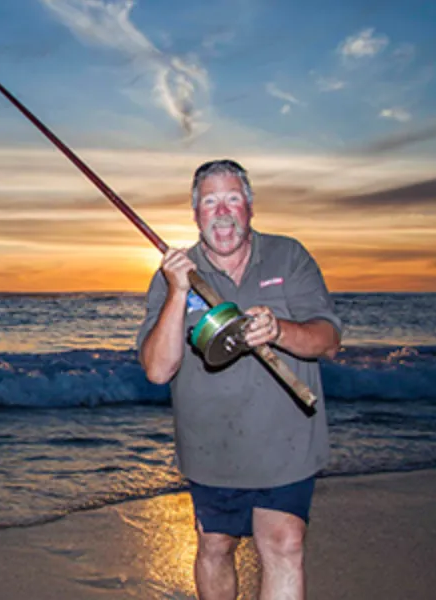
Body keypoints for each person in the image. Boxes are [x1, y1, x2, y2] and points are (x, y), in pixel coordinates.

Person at [135, 159, 342, 600]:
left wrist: (280, 331)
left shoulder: (289, 256)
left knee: (284, 543)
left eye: (232, 199)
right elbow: (157, 370)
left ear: (250, 206)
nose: (222, 212)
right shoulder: (173, 274)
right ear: (196, 214)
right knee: (215, 546)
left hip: (287, 440)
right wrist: (177, 292)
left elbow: (328, 340)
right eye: (210, 202)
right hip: (212, 446)